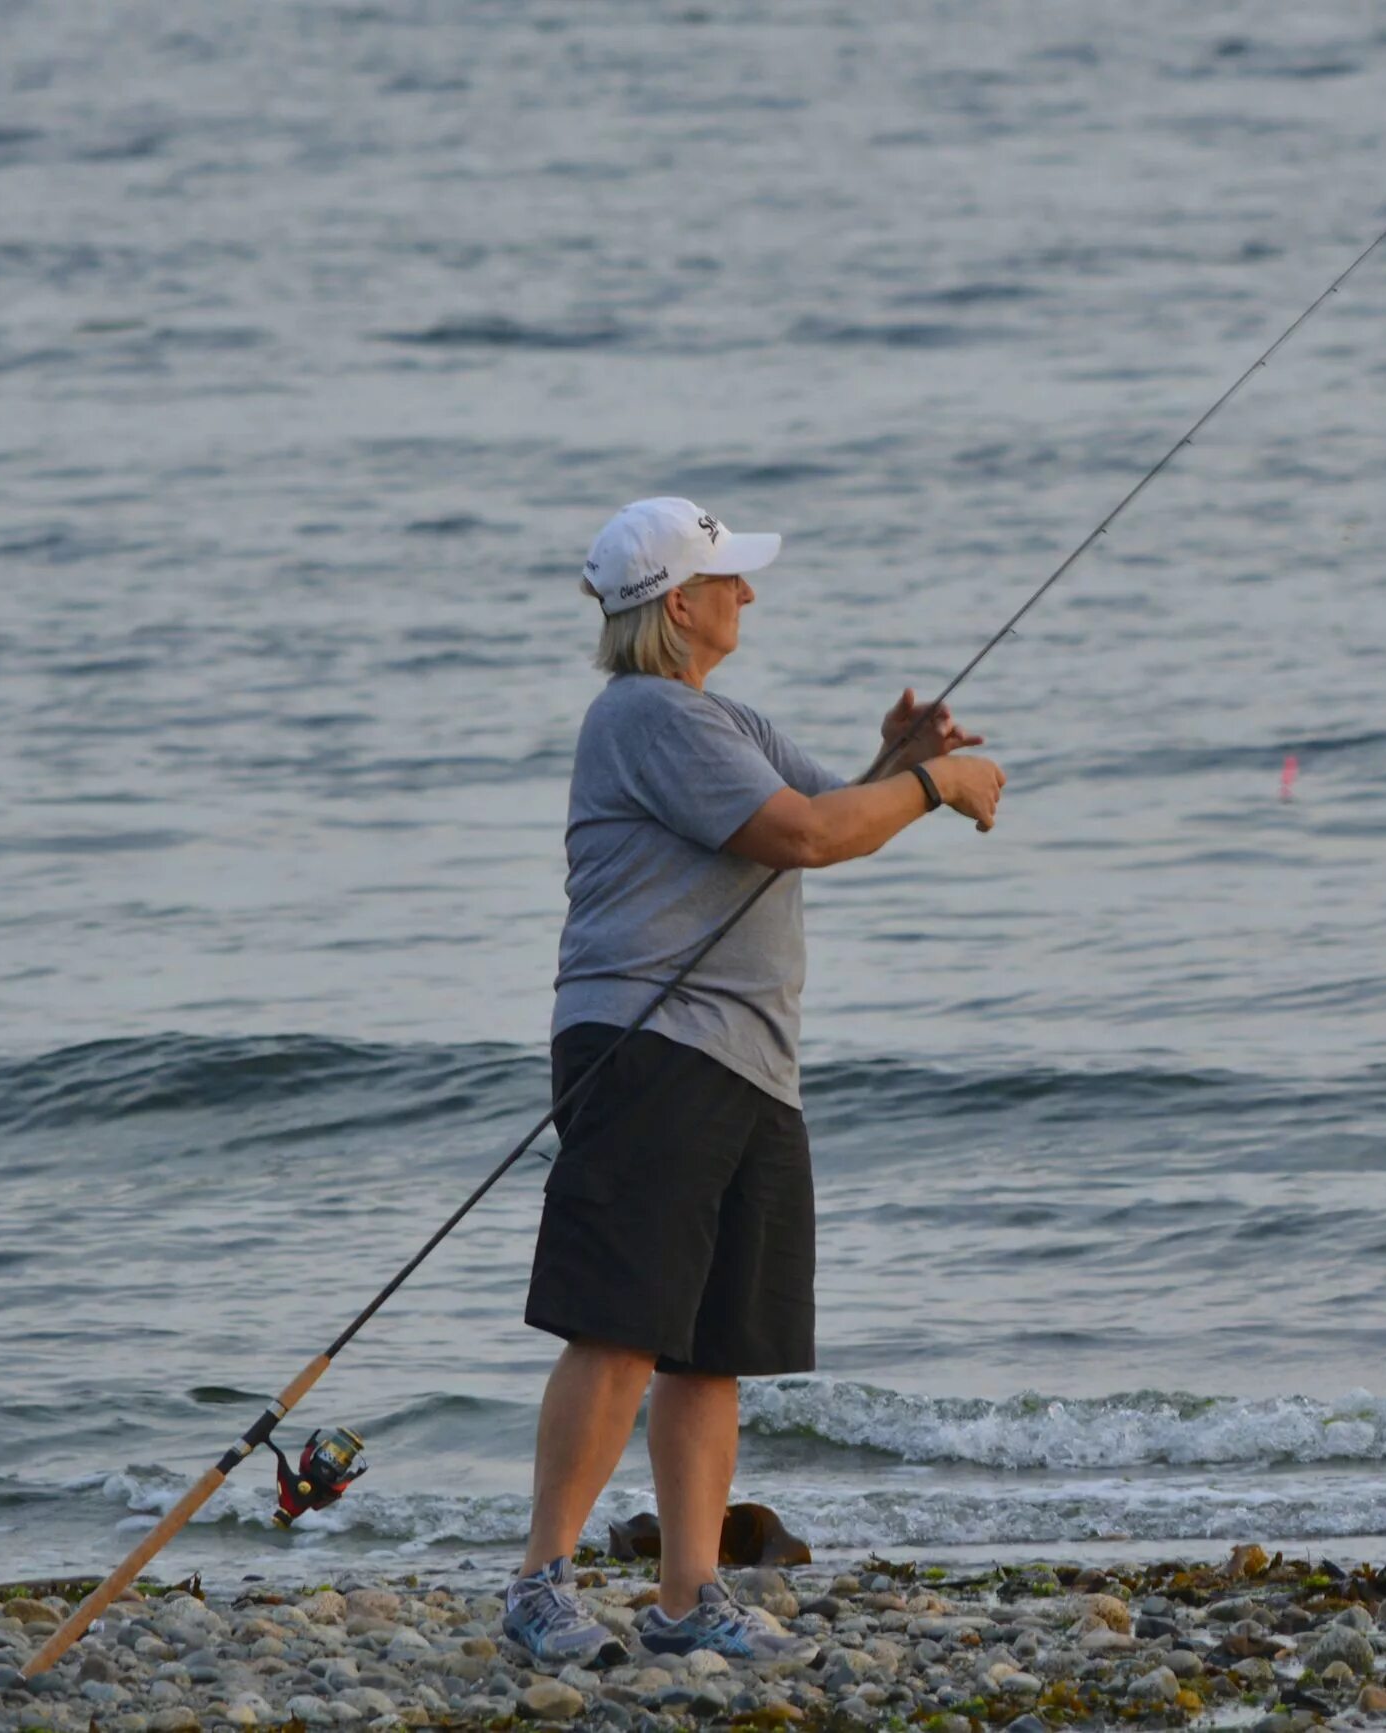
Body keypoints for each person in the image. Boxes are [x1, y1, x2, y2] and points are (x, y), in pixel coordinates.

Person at [501, 497, 1004, 1665]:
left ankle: (688, 1600)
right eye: (729, 579)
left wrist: (901, 763)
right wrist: (942, 785)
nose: (749, 594)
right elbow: (804, 836)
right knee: (619, 1327)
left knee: (709, 1345)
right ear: (678, 604)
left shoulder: (715, 718)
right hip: (651, 1046)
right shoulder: (646, 716)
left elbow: (830, 812)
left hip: (742, 1058)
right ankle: (539, 1581)